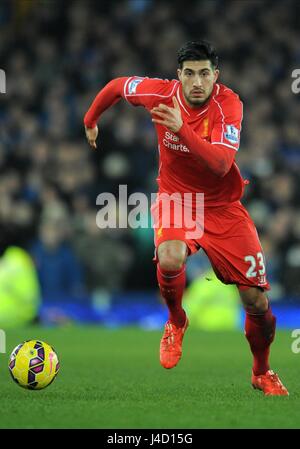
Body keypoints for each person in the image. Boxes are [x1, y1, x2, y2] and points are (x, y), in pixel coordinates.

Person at [83, 40, 288, 396]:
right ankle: (176, 320)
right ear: (179, 76)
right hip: (178, 199)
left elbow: (221, 165)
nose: (197, 81)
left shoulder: (230, 105)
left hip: (224, 208)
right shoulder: (161, 93)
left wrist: (181, 129)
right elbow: (117, 86)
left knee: (256, 300)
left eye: (204, 73)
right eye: (189, 73)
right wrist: (90, 120)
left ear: (215, 76)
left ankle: (262, 370)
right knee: (169, 255)